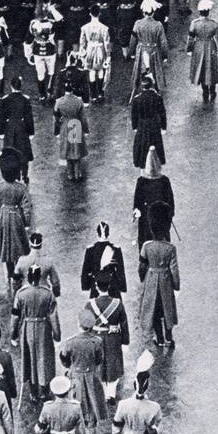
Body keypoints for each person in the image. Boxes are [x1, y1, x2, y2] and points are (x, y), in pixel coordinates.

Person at [11, 264, 61, 404]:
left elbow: (15, 316)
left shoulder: (21, 294)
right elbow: (53, 316)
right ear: (39, 277)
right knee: (43, 359)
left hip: (27, 329)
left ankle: (33, 393)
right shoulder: (48, 293)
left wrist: (13, 334)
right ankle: (44, 392)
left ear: (28, 277)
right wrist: (57, 335)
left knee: (29, 360)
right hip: (43, 328)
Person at [109, 351, 162, 434]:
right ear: (147, 386)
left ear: (134, 385)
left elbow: (116, 428)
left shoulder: (123, 404)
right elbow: (158, 433)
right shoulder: (154, 407)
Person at [59, 308, 109, 434]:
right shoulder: (97, 341)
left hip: (75, 377)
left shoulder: (70, 342)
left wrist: (70, 366)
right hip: (92, 377)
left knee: (77, 404)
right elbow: (100, 359)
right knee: (92, 406)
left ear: (79, 324)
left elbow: (64, 359)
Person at [86, 270, 130, 401]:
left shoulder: (90, 304)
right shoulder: (118, 304)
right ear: (110, 286)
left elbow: (85, 324)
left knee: (99, 364)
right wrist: (125, 341)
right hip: (113, 338)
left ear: (96, 286)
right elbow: (124, 324)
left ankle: (102, 391)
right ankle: (111, 393)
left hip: (95, 337)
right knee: (112, 365)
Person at [139, 217, 180, 349]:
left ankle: (160, 339)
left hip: (151, 280)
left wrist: (142, 278)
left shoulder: (147, 246)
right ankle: (169, 337)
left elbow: (142, 266)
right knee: (167, 310)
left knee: (154, 311)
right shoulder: (170, 248)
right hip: (165, 281)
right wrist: (176, 285)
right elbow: (174, 269)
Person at [0, 155, 33, 285]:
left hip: (3, 216)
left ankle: (9, 273)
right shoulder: (21, 188)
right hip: (16, 216)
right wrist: (26, 222)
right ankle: (17, 272)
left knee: (5, 245)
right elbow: (27, 207)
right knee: (18, 244)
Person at [133, 150, 174, 247]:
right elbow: (170, 202)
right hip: (162, 218)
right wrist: (169, 215)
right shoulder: (164, 181)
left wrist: (136, 211)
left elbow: (137, 202)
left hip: (146, 219)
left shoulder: (141, 181)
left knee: (145, 245)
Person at [0, 75, 35, 179]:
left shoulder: (5, 99)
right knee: (24, 151)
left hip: (9, 127)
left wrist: (1, 132)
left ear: (11, 86)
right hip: (22, 127)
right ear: (20, 86)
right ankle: (25, 174)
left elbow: (1, 116)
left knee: (11, 150)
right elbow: (29, 117)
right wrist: (31, 132)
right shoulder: (25, 99)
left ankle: (16, 175)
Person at [187, 0, 218, 102]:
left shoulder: (194, 23)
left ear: (199, 12)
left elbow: (190, 38)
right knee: (211, 68)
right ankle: (212, 91)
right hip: (211, 46)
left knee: (201, 68)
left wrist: (189, 49)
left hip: (198, 47)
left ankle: (205, 91)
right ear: (208, 12)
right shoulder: (214, 24)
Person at [53, 81, 90, 181]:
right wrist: (86, 130)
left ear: (64, 90)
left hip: (65, 126)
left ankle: (70, 174)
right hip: (76, 124)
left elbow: (55, 117)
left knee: (67, 149)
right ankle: (78, 173)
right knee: (76, 149)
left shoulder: (59, 102)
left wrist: (56, 131)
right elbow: (83, 118)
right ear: (73, 89)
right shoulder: (78, 101)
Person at [80, 221, 128, 297]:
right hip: (112, 286)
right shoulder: (116, 249)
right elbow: (120, 271)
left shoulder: (90, 250)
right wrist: (122, 288)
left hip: (96, 286)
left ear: (97, 233)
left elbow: (85, 271)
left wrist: (85, 286)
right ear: (108, 233)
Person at [130, 74, 167, 168]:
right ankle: (156, 166)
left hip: (142, 125)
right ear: (151, 86)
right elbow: (162, 113)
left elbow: (134, 115)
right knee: (156, 145)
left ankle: (142, 165)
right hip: (154, 125)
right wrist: (163, 127)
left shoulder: (137, 99)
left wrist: (134, 127)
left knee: (142, 146)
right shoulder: (157, 97)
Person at [78, 4, 111, 104]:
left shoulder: (84, 27)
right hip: (100, 50)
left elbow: (82, 43)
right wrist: (108, 55)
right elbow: (107, 43)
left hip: (90, 49)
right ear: (99, 14)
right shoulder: (104, 28)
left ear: (90, 14)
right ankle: (100, 93)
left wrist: (82, 55)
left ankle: (93, 95)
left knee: (91, 72)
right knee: (100, 71)